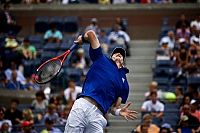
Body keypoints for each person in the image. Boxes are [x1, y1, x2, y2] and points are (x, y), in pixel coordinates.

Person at [64, 30, 138, 133]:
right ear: (111, 56)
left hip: (98, 116)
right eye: (116, 53)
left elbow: (114, 108)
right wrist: (83, 39)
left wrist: (119, 112)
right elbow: (91, 34)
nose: (118, 54)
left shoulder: (124, 84)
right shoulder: (101, 59)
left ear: (123, 61)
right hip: (83, 106)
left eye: (121, 55)